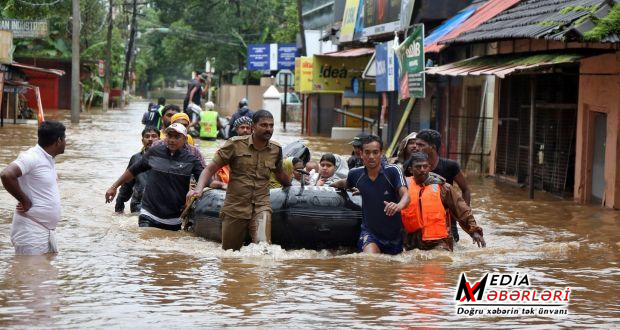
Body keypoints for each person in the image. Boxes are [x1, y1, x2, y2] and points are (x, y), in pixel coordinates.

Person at [190, 110, 291, 250]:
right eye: (264, 125)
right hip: (235, 207)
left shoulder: (276, 149)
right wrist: (199, 189)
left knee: (264, 249)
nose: (269, 129)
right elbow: (209, 169)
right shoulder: (234, 144)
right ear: (253, 127)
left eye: (271, 125)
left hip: (261, 205)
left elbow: (279, 173)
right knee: (231, 253)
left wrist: (293, 186)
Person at [105, 123, 204, 230]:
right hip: (148, 213)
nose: (172, 140)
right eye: (169, 136)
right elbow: (132, 172)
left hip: (173, 219)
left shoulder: (191, 160)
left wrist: (203, 188)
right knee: (145, 241)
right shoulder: (153, 153)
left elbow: (205, 179)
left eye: (177, 137)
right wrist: (114, 187)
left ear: (185, 139)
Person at [332, 135, 409, 255]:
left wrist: (398, 206)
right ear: (361, 153)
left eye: (375, 152)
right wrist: (327, 185)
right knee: (371, 262)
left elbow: (406, 195)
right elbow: (344, 183)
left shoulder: (393, 171)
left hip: (394, 235)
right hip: (370, 234)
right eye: (367, 153)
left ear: (381, 153)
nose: (371, 157)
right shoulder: (355, 174)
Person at [1, 121, 66, 254]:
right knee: (29, 274)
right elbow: (6, 175)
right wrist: (24, 200)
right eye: (65, 139)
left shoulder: (48, 158)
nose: (66, 142)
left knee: (45, 273)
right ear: (58, 141)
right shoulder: (32, 157)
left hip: (44, 231)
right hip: (30, 231)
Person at [401, 152, 485, 251]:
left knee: (439, 260)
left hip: (438, 242)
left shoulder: (443, 188)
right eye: (418, 167)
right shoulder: (402, 187)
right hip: (410, 242)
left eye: (425, 166)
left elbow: (462, 210)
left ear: (430, 168)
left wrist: (473, 231)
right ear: (411, 169)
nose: (422, 170)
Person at [416, 129, 472, 242]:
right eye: (416, 144)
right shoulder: (412, 167)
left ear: (433, 147)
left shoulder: (450, 166)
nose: (416, 148)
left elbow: (465, 190)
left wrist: (462, 215)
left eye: (421, 145)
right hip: (422, 220)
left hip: (448, 220)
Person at [115, 126, 160, 214]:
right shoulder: (136, 158)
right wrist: (119, 207)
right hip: (138, 206)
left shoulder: (166, 158)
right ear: (142, 140)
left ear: (160, 139)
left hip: (158, 206)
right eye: (147, 136)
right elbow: (127, 184)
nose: (150, 139)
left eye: (154, 136)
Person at [209, 117, 253, 190]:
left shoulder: (256, 148)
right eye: (242, 127)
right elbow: (213, 171)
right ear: (236, 129)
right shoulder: (226, 148)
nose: (245, 130)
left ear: (252, 130)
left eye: (248, 128)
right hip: (228, 185)